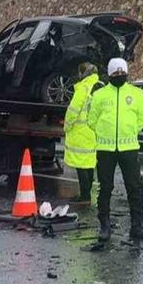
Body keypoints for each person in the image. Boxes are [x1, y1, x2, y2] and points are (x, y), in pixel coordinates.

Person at [88, 58, 143, 244]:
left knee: (134, 187)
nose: (119, 75)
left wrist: (131, 131)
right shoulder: (100, 95)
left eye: (122, 72)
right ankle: (105, 226)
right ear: (109, 74)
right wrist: (102, 132)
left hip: (129, 147)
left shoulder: (136, 93)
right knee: (105, 188)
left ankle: (136, 227)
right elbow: (92, 119)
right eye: (116, 73)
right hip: (106, 149)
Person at [64, 62, 103, 203]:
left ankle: (85, 195)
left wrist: (66, 126)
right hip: (95, 131)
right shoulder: (101, 86)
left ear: (84, 74)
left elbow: (73, 110)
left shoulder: (83, 89)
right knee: (89, 163)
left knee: (81, 165)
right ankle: (87, 193)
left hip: (81, 132)